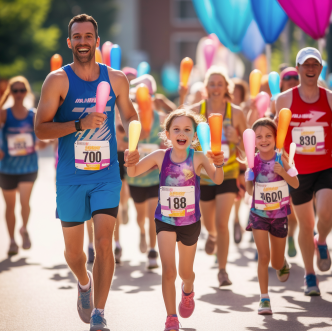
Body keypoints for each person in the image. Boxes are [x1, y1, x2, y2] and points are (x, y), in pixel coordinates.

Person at [34, 14, 139, 331]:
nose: (82, 41)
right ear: (70, 42)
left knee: (105, 243)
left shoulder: (116, 78)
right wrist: (79, 124)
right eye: (76, 37)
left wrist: (132, 145)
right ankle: (83, 281)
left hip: (106, 174)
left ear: (97, 40)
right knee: (73, 253)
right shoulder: (57, 80)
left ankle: (99, 312)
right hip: (70, 176)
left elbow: (131, 117)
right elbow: (40, 129)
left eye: (88, 36)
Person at [125, 108, 224, 331]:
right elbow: (132, 173)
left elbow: (218, 179)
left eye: (187, 129)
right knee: (169, 271)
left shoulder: (198, 157)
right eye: (176, 129)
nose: (182, 133)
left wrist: (218, 162)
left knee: (184, 273)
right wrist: (130, 157)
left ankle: (188, 289)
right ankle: (171, 317)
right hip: (165, 221)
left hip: (190, 223)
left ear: (194, 136)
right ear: (167, 134)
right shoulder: (160, 156)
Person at [182, 66, 247, 286]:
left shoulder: (236, 113)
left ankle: (222, 270)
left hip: (227, 174)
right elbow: (180, 136)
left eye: (220, 84)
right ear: (206, 88)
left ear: (226, 87)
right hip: (203, 176)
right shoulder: (195, 111)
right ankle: (211, 236)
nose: (216, 88)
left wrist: (236, 138)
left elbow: (247, 149)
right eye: (212, 84)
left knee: (222, 222)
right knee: (209, 224)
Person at [276, 47, 332, 296]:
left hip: (325, 167)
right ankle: (310, 275)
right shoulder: (284, 100)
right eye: (305, 65)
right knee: (305, 225)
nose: (310, 69)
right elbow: (279, 136)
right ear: (297, 68)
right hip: (297, 171)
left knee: (326, 213)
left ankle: (322, 242)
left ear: (320, 69)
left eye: (314, 65)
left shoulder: (329, 97)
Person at [245, 118, 299, 315]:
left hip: (279, 216)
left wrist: (284, 172)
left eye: (269, 135)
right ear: (253, 141)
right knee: (263, 257)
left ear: (276, 138)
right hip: (258, 214)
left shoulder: (281, 158)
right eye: (259, 137)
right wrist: (249, 177)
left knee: (275, 262)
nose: (264, 140)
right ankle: (264, 298)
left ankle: (282, 262)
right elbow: (250, 191)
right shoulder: (252, 161)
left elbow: (296, 184)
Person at [0, 76, 40, 256]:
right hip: (7, 167)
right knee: (10, 206)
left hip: (28, 166)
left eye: (21, 90)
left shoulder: (33, 114)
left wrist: (43, 143)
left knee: (24, 202)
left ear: (26, 92)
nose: (18, 94)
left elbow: (41, 137)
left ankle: (24, 228)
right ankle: (11, 241)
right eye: (15, 90)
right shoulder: (3, 113)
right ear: (10, 92)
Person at [125, 98, 167, 269]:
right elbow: (120, 142)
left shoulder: (160, 118)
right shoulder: (130, 120)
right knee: (141, 217)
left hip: (154, 179)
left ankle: (152, 251)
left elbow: (166, 142)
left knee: (152, 216)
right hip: (136, 178)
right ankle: (142, 231)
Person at [231, 78, 250, 244]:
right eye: (233, 93)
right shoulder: (226, 111)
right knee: (232, 193)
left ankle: (238, 219)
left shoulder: (244, 110)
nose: (235, 95)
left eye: (239, 93)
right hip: (228, 159)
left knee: (241, 191)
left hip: (242, 158)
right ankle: (235, 220)